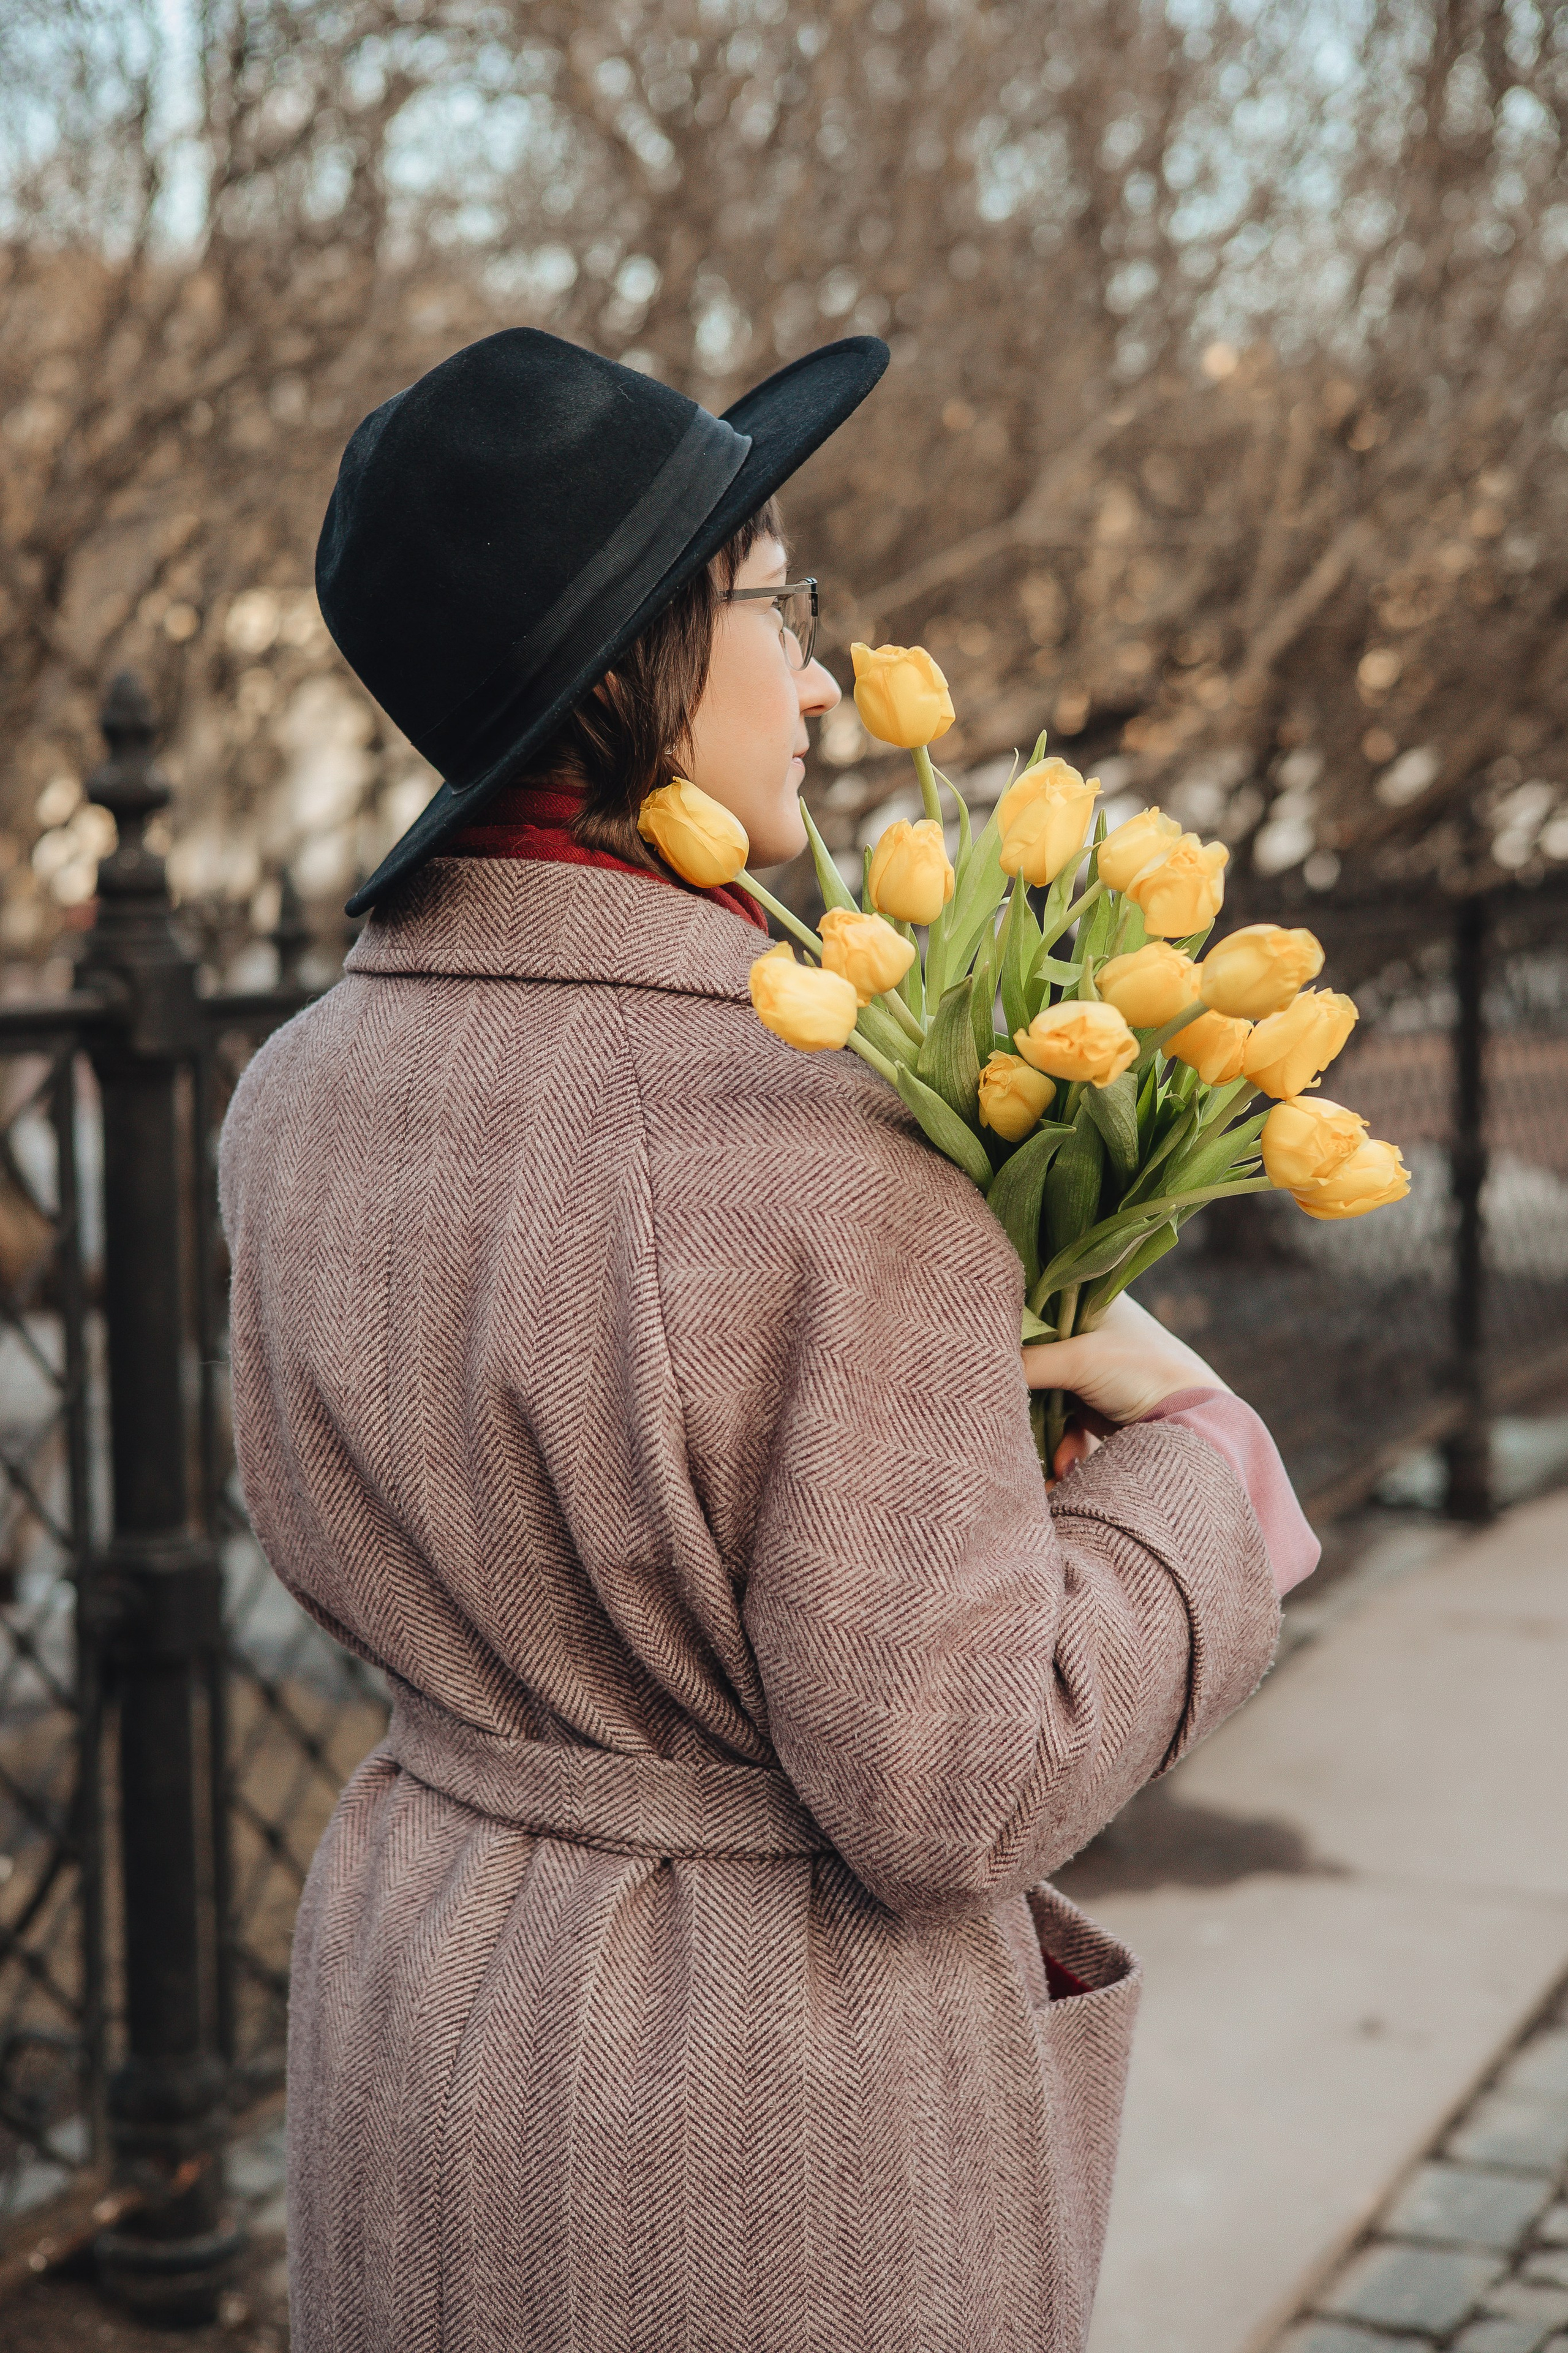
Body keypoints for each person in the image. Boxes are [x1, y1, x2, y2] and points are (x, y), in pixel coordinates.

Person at [219, 327, 1317, 2353]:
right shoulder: (834, 1127)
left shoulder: (293, 1091)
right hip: (759, 2108)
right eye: (777, 605)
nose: (819, 676)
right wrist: (1196, 1464)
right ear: (636, 657)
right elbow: (954, 1775)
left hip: (422, 1999)